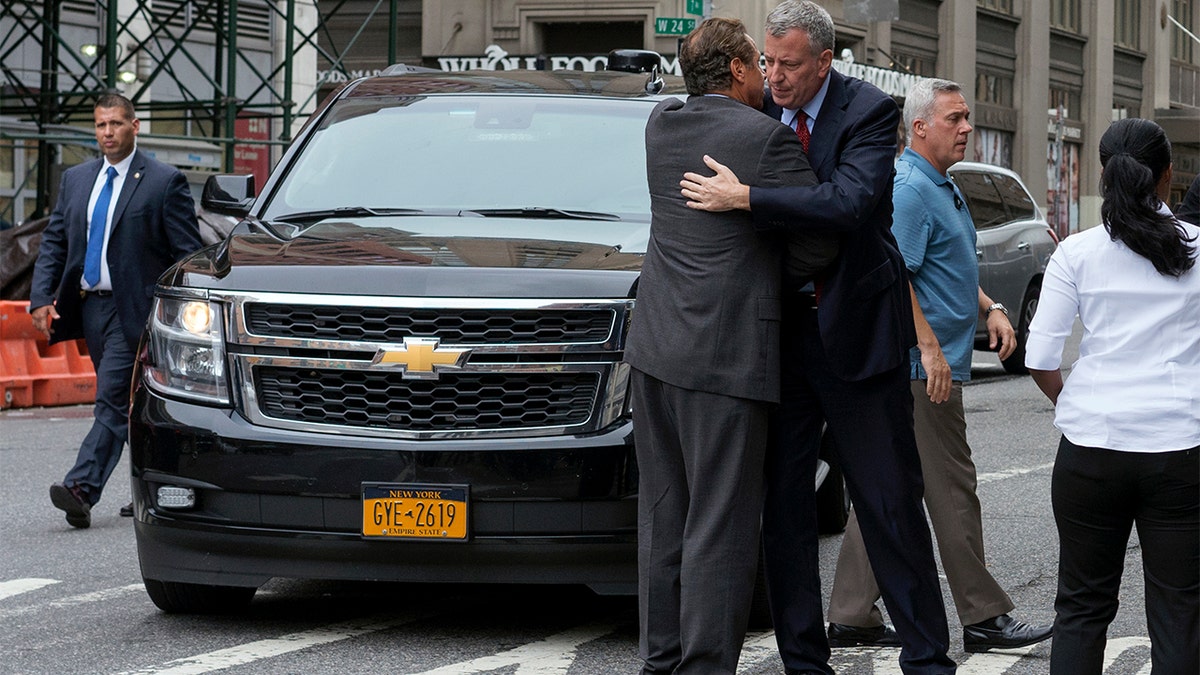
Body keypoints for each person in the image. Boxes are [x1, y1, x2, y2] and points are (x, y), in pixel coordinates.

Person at [680, 2, 955, 672]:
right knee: (785, 508)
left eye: (790, 64)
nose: (774, 76)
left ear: (825, 62)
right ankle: (805, 659)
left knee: (888, 502)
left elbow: (848, 202)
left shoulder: (867, 110)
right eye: (768, 61)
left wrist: (749, 198)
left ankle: (927, 657)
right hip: (777, 339)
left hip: (858, 336)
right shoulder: (754, 111)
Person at [624, 16, 836, 674]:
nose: (769, 76)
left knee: (663, 518)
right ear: (741, 70)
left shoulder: (661, 125)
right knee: (721, 522)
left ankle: (660, 662)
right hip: (727, 358)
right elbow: (818, 242)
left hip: (655, 349)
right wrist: (756, 224)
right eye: (758, 63)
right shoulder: (765, 140)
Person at [824, 78, 1053, 653]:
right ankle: (983, 614)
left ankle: (851, 612)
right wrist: (927, 349)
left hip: (930, 364)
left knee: (889, 489)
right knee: (953, 490)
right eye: (955, 118)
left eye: (968, 117)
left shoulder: (939, 185)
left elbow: (948, 268)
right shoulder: (909, 190)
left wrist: (992, 307)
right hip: (921, 371)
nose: (967, 127)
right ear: (920, 127)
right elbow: (891, 274)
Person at [1025, 117, 1199, 674]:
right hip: (1181, 448)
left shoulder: (1076, 252)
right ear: (1168, 175)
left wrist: (1075, 405)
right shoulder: (1198, 248)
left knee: (1081, 606)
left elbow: (1040, 358)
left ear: (1104, 174)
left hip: (1091, 449)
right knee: (1180, 612)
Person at [30, 93, 202, 528]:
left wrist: (177, 313)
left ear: (134, 126)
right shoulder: (76, 179)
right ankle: (151, 487)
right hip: (91, 309)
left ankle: (81, 488)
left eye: (116, 124)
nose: (107, 133)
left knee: (110, 399)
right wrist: (40, 298)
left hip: (139, 312)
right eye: (101, 125)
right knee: (131, 404)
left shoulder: (164, 181)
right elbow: (54, 243)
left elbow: (187, 253)